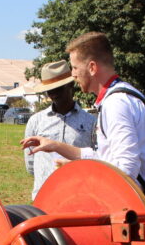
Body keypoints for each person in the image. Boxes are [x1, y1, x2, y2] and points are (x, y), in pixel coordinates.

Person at [20, 32, 145, 183]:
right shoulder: (120, 96)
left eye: (75, 67)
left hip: (123, 195)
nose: (73, 74)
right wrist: (56, 146)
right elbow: (104, 157)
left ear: (92, 68)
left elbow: (126, 169)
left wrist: (81, 170)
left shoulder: (116, 104)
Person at [23, 60, 96, 199]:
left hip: (79, 196)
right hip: (44, 197)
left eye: (58, 89)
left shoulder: (90, 122)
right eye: (50, 91)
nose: (54, 94)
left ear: (70, 85)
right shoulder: (36, 121)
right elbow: (30, 164)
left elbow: (95, 160)